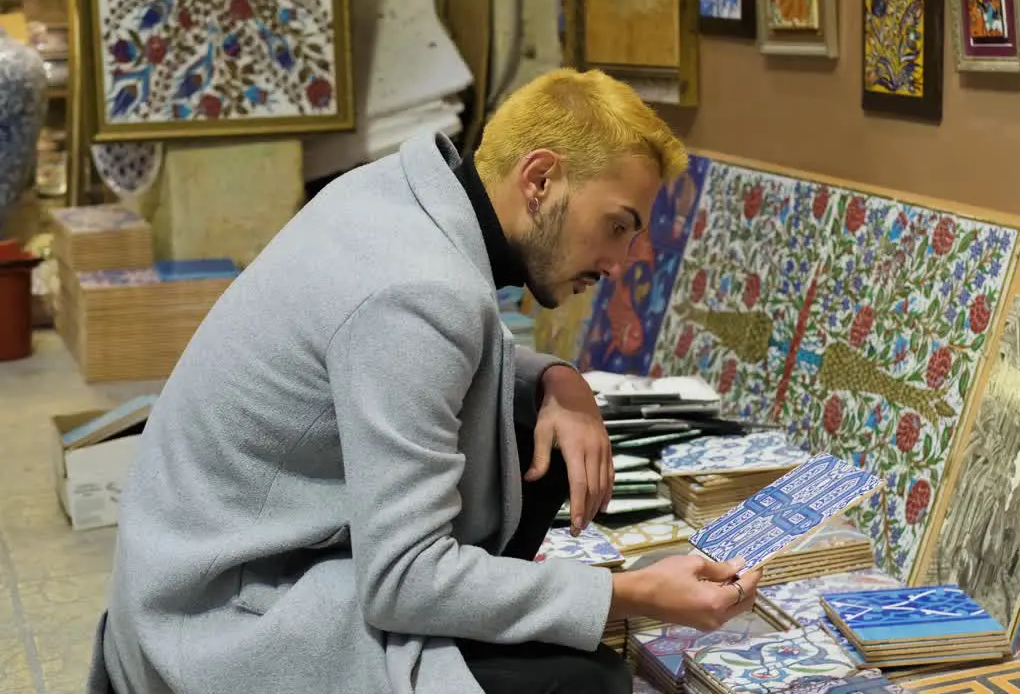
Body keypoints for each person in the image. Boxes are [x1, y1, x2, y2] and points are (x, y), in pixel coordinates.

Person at [86, 68, 762, 694]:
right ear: (539, 180)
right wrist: (630, 592)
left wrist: (560, 379)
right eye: (616, 226)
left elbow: (435, 357)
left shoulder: (408, 197)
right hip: (217, 613)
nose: (620, 261)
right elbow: (402, 580)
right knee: (587, 683)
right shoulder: (418, 291)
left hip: (200, 557)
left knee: (534, 435)